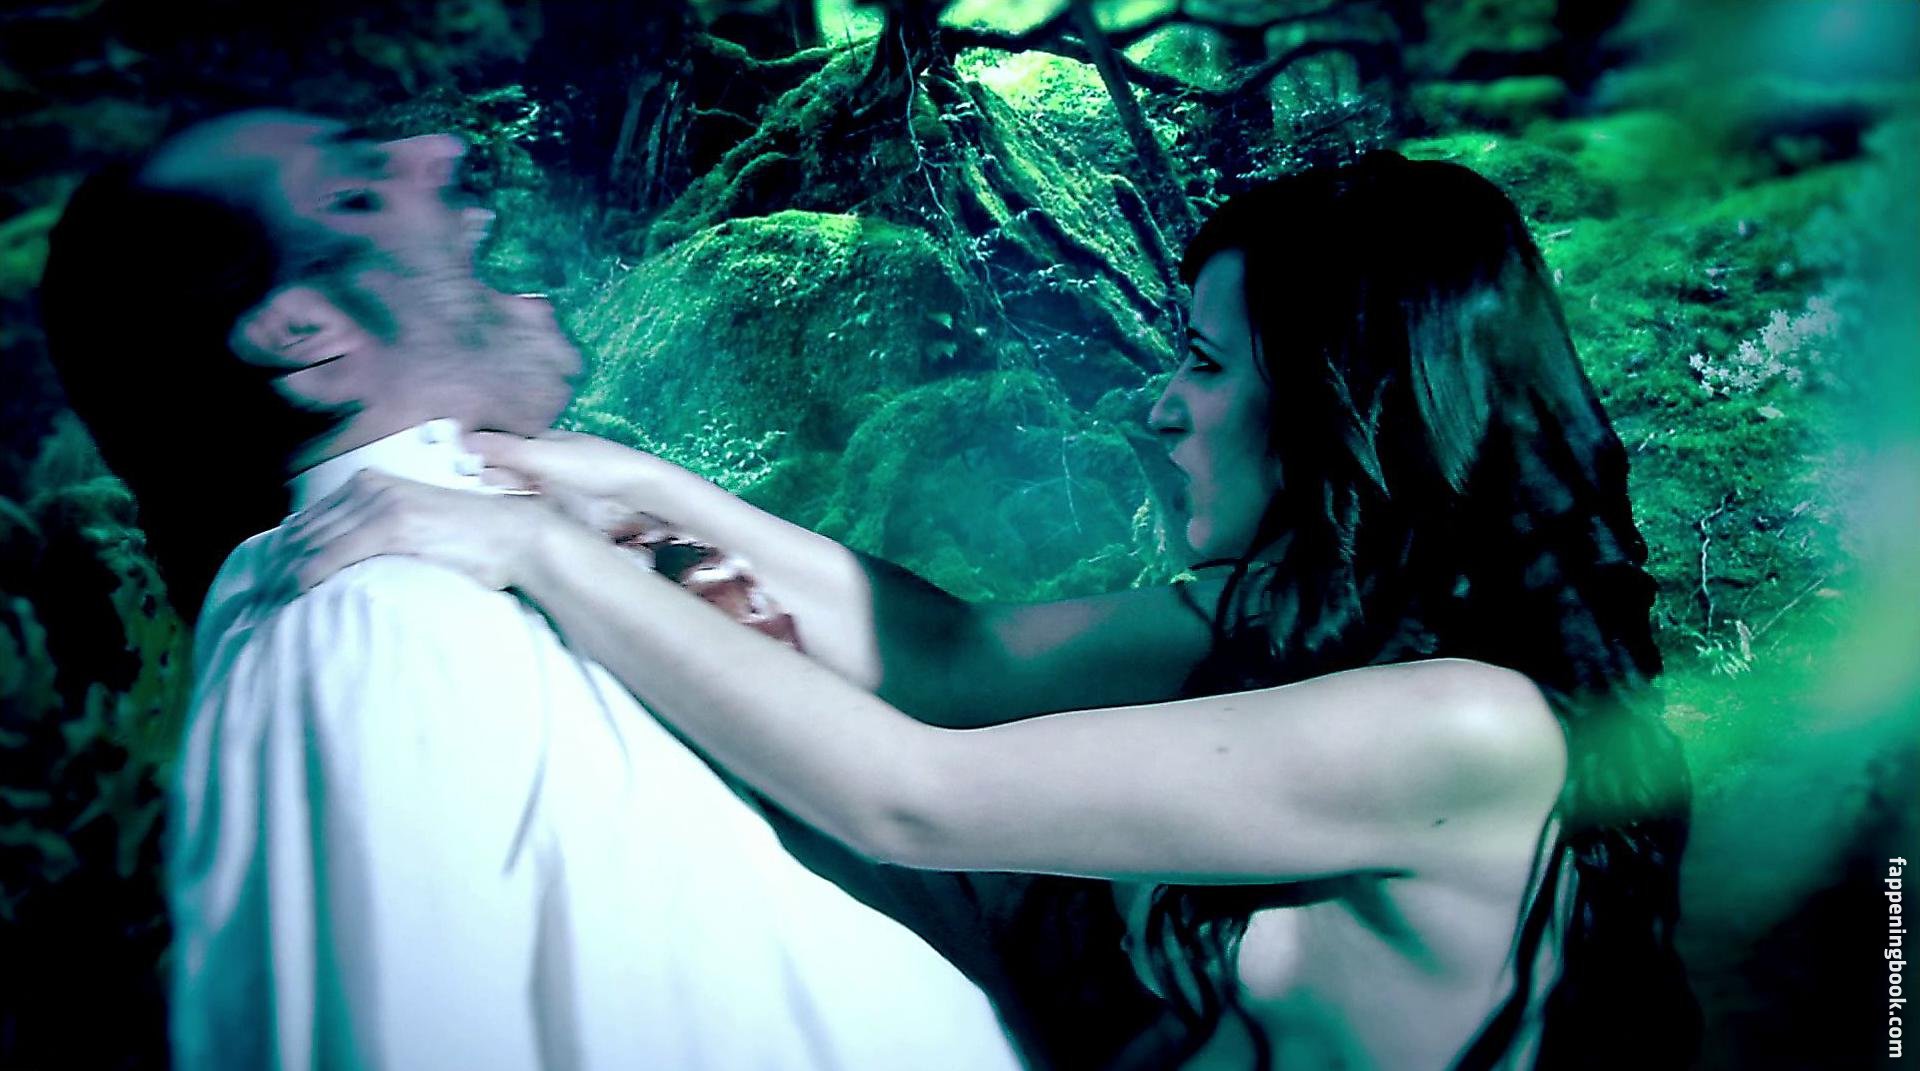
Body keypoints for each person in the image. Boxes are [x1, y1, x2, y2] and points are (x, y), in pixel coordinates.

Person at [286, 153, 1702, 1069]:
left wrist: (540, 551)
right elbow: (953, 660)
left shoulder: (1468, 725)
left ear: (1344, 402)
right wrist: (652, 490)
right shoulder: (1271, 615)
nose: (1159, 403)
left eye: (1206, 363)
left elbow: (912, 793)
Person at [37, 109, 1026, 1071]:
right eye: (355, 194)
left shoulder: (525, 561)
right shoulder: (373, 623)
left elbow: (952, 668)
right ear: (307, 331)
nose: (440, 148)